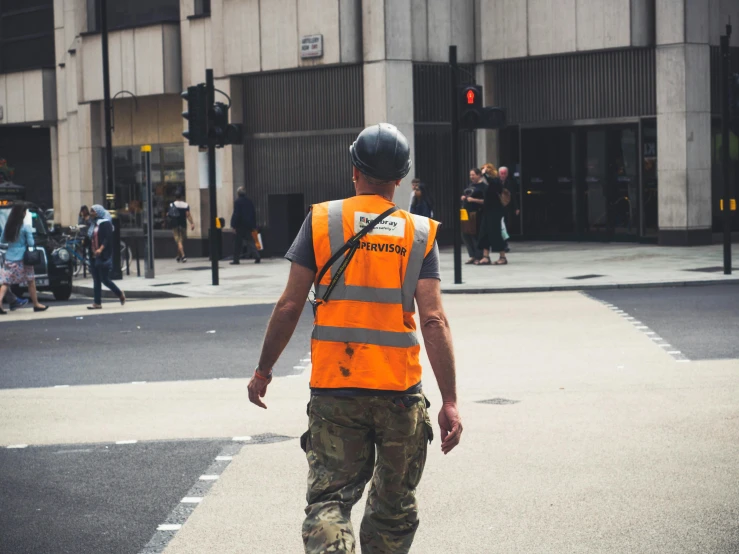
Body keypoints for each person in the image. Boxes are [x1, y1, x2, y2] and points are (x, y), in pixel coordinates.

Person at [247, 123, 463, 554]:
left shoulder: (323, 220)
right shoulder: (419, 233)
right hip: (399, 391)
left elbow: (289, 306)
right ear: (400, 179)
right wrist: (450, 400)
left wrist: (263, 370)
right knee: (393, 505)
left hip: (335, 388)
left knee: (329, 501)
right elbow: (434, 320)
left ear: (354, 170)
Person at [0, 203, 47, 314]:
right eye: (25, 211)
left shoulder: (8, 226)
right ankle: (36, 304)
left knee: (6, 283)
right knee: (31, 281)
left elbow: (2, 240)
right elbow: (31, 243)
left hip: (10, 258)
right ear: (22, 213)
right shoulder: (26, 227)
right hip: (23, 259)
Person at [87, 205, 125, 310]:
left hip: (102, 255)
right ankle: (97, 302)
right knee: (96, 279)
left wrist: (101, 249)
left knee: (104, 279)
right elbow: (90, 237)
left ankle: (119, 293)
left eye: (93, 211)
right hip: (93, 255)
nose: (91, 213)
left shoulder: (105, 223)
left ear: (98, 212)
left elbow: (107, 238)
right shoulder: (93, 223)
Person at [476, 170, 509, 266]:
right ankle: (485, 256)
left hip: (495, 212)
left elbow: (495, 186)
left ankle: (502, 257)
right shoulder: (486, 183)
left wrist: (485, 173)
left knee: (496, 233)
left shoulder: (496, 182)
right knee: (484, 233)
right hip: (487, 212)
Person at [460, 168, 487, 264]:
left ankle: (478, 255)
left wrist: (474, 200)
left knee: (475, 234)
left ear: (479, 175)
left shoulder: (483, 186)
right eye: (470, 175)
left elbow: (486, 201)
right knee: (465, 234)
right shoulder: (470, 185)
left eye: (473, 175)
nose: (471, 177)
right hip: (466, 212)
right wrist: (464, 198)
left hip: (477, 213)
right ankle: (472, 255)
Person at [229, 187, 261, 264]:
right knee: (250, 241)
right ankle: (257, 256)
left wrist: (233, 225)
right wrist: (253, 225)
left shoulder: (237, 202)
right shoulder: (249, 201)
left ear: (238, 194)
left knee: (237, 243)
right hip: (249, 225)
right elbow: (253, 213)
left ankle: (236, 260)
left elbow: (236, 214)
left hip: (240, 226)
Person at [168, 192, 194, 262]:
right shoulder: (185, 205)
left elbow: (169, 214)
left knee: (178, 241)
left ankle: (182, 255)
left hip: (175, 224)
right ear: (181, 197)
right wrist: (192, 223)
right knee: (181, 240)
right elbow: (188, 215)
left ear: (175, 197)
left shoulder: (171, 204)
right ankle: (180, 256)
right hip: (183, 224)